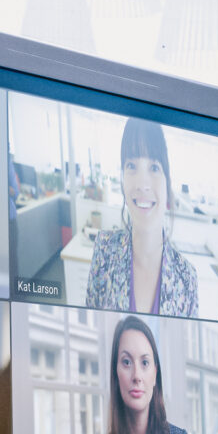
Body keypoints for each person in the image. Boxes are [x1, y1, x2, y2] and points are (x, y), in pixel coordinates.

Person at [83, 118, 199, 317]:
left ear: (167, 182)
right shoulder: (104, 250)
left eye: (154, 167)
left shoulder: (187, 277)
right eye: (131, 166)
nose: (142, 184)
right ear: (122, 178)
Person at [86, 316, 198, 434]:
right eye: (127, 362)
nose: (137, 376)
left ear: (155, 374)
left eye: (144, 363)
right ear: (115, 373)